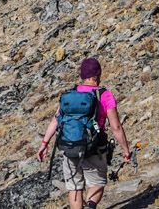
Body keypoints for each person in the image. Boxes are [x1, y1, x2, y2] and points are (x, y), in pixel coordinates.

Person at [37, 57, 132, 209]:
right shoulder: (105, 95)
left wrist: (44, 143)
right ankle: (91, 205)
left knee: (75, 189)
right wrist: (126, 151)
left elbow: (56, 121)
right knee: (97, 183)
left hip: (69, 148)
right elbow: (116, 127)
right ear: (98, 74)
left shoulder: (70, 95)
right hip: (93, 149)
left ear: (82, 75)